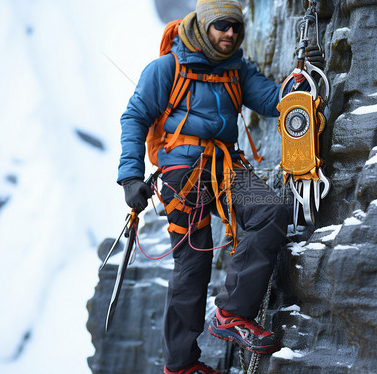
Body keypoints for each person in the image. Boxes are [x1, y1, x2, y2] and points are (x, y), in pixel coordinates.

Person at [117, 1, 324, 373]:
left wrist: (297, 83)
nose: (230, 33)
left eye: (236, 27)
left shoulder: (236, 71)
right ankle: (181, 365)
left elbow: (270, 100)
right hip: (183, 173)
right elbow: (135, 117)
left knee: (269, 212)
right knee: (192, 266)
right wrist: (130, 177)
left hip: (225, 167)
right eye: (222, 26)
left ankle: (231, 314)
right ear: (204, 26)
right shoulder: (168, 68)